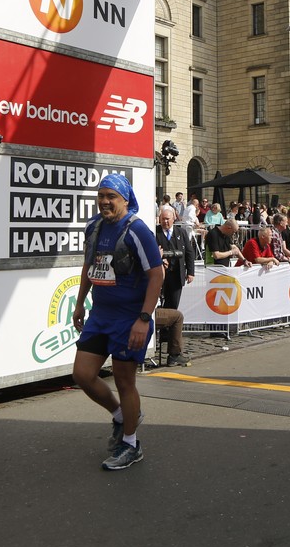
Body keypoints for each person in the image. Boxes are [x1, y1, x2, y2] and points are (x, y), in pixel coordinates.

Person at [71, 174, 164, 471]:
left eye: (111, 196)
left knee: (125, 381)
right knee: (82, 374)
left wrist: (143, 319)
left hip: (129, 319)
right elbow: (89, 266)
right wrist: (80, 304)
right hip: (100, 315)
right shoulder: (94, 227)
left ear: (125, 199)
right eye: (101, 195)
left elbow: (157, 275)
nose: (104, 201)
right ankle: (122, 415)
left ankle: (131, 444)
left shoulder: (137, 230)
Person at [155, 205, 197, 310]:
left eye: (167, 219)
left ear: (173, 218)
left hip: (177, 274)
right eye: (163, 219)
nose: (165, 221)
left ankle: (170, 320)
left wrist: (190, 272)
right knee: (160, 303)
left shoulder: (181, 232)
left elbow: (189, 252)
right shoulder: (155, 232)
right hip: (161, 274)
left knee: (174, 303)